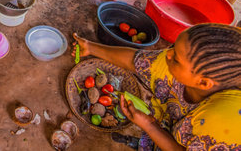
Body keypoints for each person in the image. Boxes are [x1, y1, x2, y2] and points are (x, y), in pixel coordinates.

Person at [72, 23, 241, 150]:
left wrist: (149, 126)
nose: (167, 53)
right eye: (173, 47)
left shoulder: (221, 125)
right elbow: (136, 61)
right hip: (165, 128)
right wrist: (90, 47)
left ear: (203, 83)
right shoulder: (171, 63)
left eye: (176, 58)